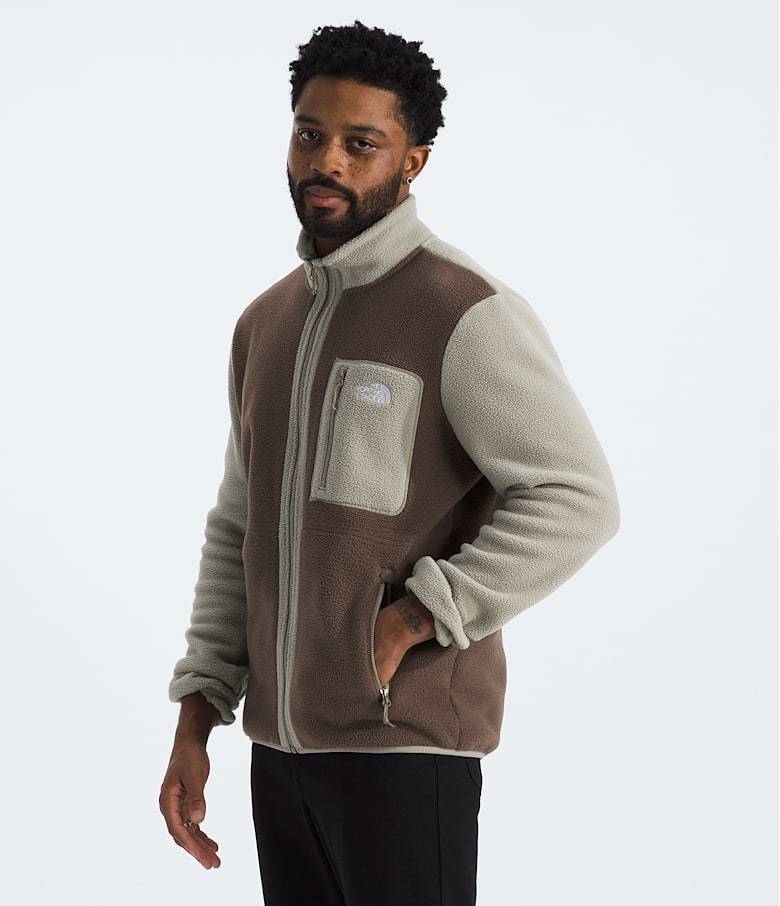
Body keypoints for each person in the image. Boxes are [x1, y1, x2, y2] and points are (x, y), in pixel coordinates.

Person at [159, 19, 620, 905]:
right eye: (309, 135)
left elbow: (577, 497)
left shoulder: (464, 310)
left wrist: (413, 620)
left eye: (360, 144)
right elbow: (238, 526)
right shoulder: (265, 323)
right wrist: (198, 716)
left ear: (413, 163)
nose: (326, 162)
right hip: (279, 754)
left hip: (404, 750)